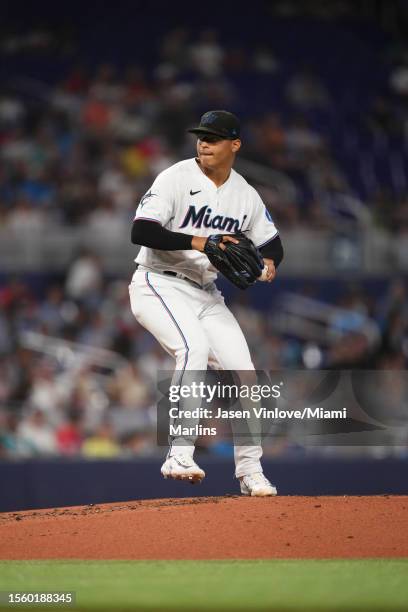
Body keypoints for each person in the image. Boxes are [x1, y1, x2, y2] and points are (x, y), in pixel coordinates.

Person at [129, 110, 284, 496]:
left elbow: (272, 243)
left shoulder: (245, 193)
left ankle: (250, 472)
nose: (204, 143)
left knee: (244, 373)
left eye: (213, 138)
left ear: (235, 145)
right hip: (157, 283)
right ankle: (179, 453)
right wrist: (199, 241)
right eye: (201, 137)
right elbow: (141, 230)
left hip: (206, 293)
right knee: (192, 348)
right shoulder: (176, 177)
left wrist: (270, 262)